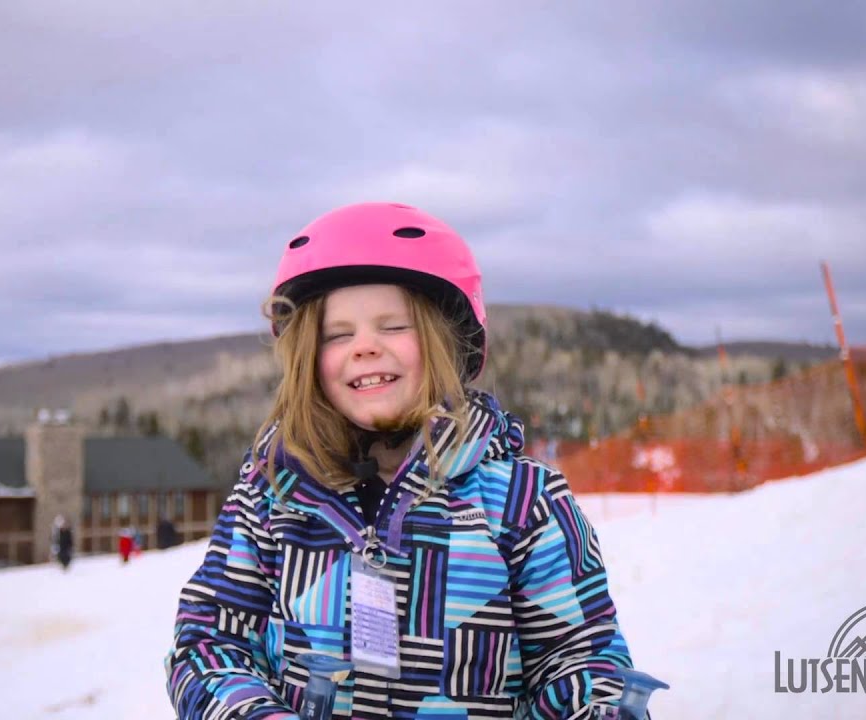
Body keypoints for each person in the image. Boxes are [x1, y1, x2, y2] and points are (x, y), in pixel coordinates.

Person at [165, 202, 643, 718]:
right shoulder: (273, 496)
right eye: (338, 334)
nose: (365, 347)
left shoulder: (522, 502)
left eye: (393, 327)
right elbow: (209, 646)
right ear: (308, 357)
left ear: (444, 344)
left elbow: (583, 666)